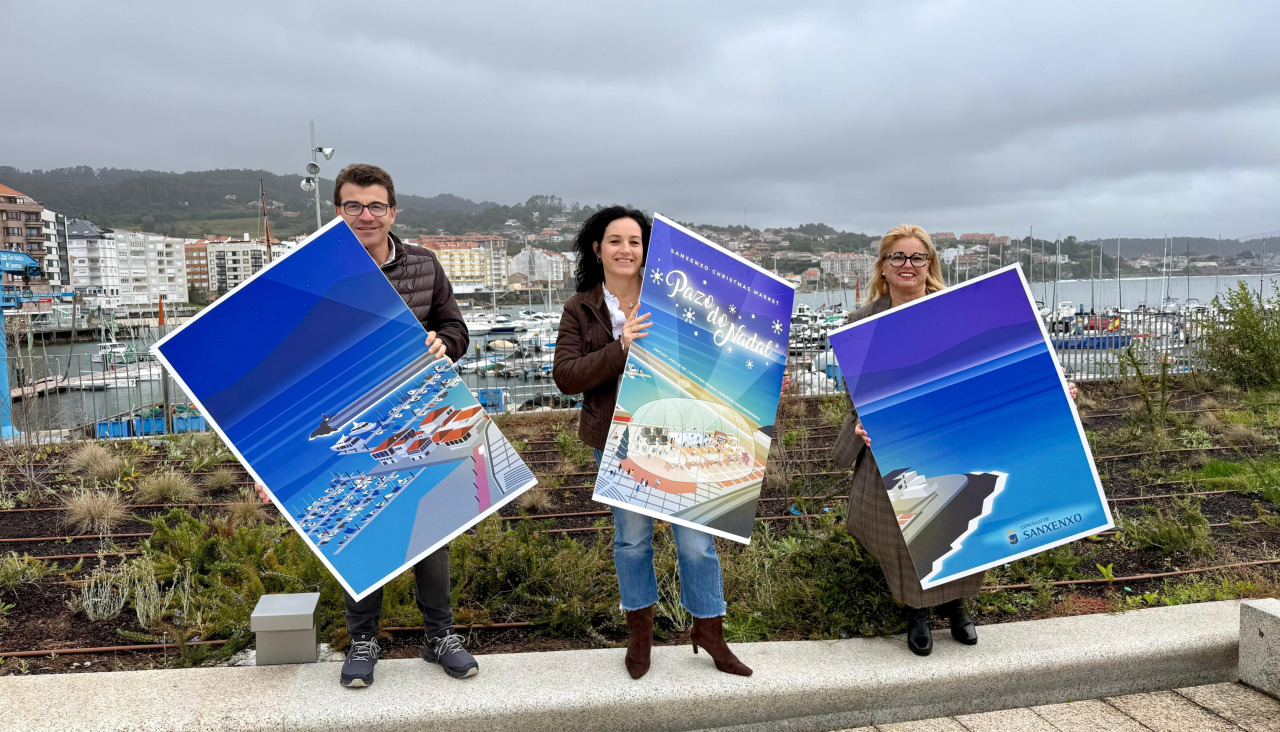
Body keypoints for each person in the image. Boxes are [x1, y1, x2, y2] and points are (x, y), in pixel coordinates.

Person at [255, 163, 476, 688]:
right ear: (338, 211)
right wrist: (268, 458)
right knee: (358, 526)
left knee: (431, 529)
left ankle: (438, 636)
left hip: (412, 412)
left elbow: (456, 328)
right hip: (341, 418)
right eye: (353, 205)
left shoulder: (424, 265)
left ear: (393, 211)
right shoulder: (310, 273)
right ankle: (363, 640)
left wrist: (445, 343)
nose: (365, 215)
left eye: (376, 205)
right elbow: (283, 367)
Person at [832, 224, 1077, 657]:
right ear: (883, 267)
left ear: (930, 265)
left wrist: (1054, 390)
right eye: (898, 258)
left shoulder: (958, 312)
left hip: (953, 437)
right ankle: (918, 613)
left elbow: (995, 370)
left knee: (958, 515)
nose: (908, 266)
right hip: (892, 445)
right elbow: (857, 396)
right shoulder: (861, 323)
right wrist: (859, 426)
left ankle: (957, 604)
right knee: (902, 525)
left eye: (917, 258)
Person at [552, 206, 751, 679]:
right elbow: (565, 376)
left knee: (697, 542)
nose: (625, 249)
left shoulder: (674, 299)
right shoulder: (581, 308)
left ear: (648, 251)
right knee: (633, 540)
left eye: (635, 241)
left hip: (684, 435)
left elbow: (716, 352)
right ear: (597, 249)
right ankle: (640, 631)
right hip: (619, 442)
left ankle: (709, 629)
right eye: (615, 240)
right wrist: (620, 347)